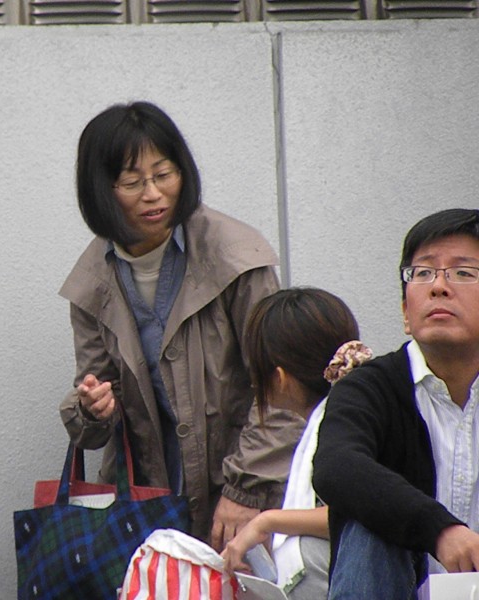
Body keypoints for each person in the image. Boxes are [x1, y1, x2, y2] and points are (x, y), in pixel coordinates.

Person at [58, 100, 306, 544]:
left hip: (245, 489)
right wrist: (93, 407)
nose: (153, 193)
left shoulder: (235, 257)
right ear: (101, 191)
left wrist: (244, 489)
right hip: (148, 504)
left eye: (164, 174)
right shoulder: (91, 280)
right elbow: (95, 409)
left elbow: (284, 386)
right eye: (132, 182)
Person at [313, 208, 479, 599]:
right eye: (423, 273)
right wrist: (439, 530)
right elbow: (336, 465)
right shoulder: (369, 388)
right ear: (406, 313)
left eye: (462, 272)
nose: (439, 287)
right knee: (371, 523)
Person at [220, 287, 372, 600]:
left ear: (279, 378)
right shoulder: (357, 412)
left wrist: (267, 521)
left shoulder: (337, 429)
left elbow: (362, 513)